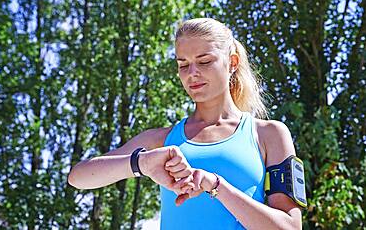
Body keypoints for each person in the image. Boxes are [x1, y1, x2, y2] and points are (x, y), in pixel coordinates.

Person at [68, 17, 304, 229]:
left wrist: (217, 186)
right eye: (183, 65)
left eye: (204, 61)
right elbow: (78, 177)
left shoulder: (268, 134)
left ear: (232, 62)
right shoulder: (162, 139)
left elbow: (290, 228)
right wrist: (143, 163)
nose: (192, 73)